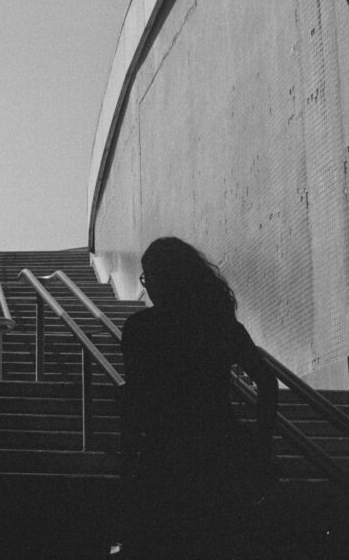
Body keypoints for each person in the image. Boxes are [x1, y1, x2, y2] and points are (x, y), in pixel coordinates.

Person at [117, 236, 278, 557]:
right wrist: (262, 441)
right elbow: (267, 381)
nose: (147, 286)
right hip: (218, 447)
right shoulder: (220, 324)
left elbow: (135, 400)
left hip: (163, 453)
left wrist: (127, 458)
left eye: (148, 277)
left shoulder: (140, 328)